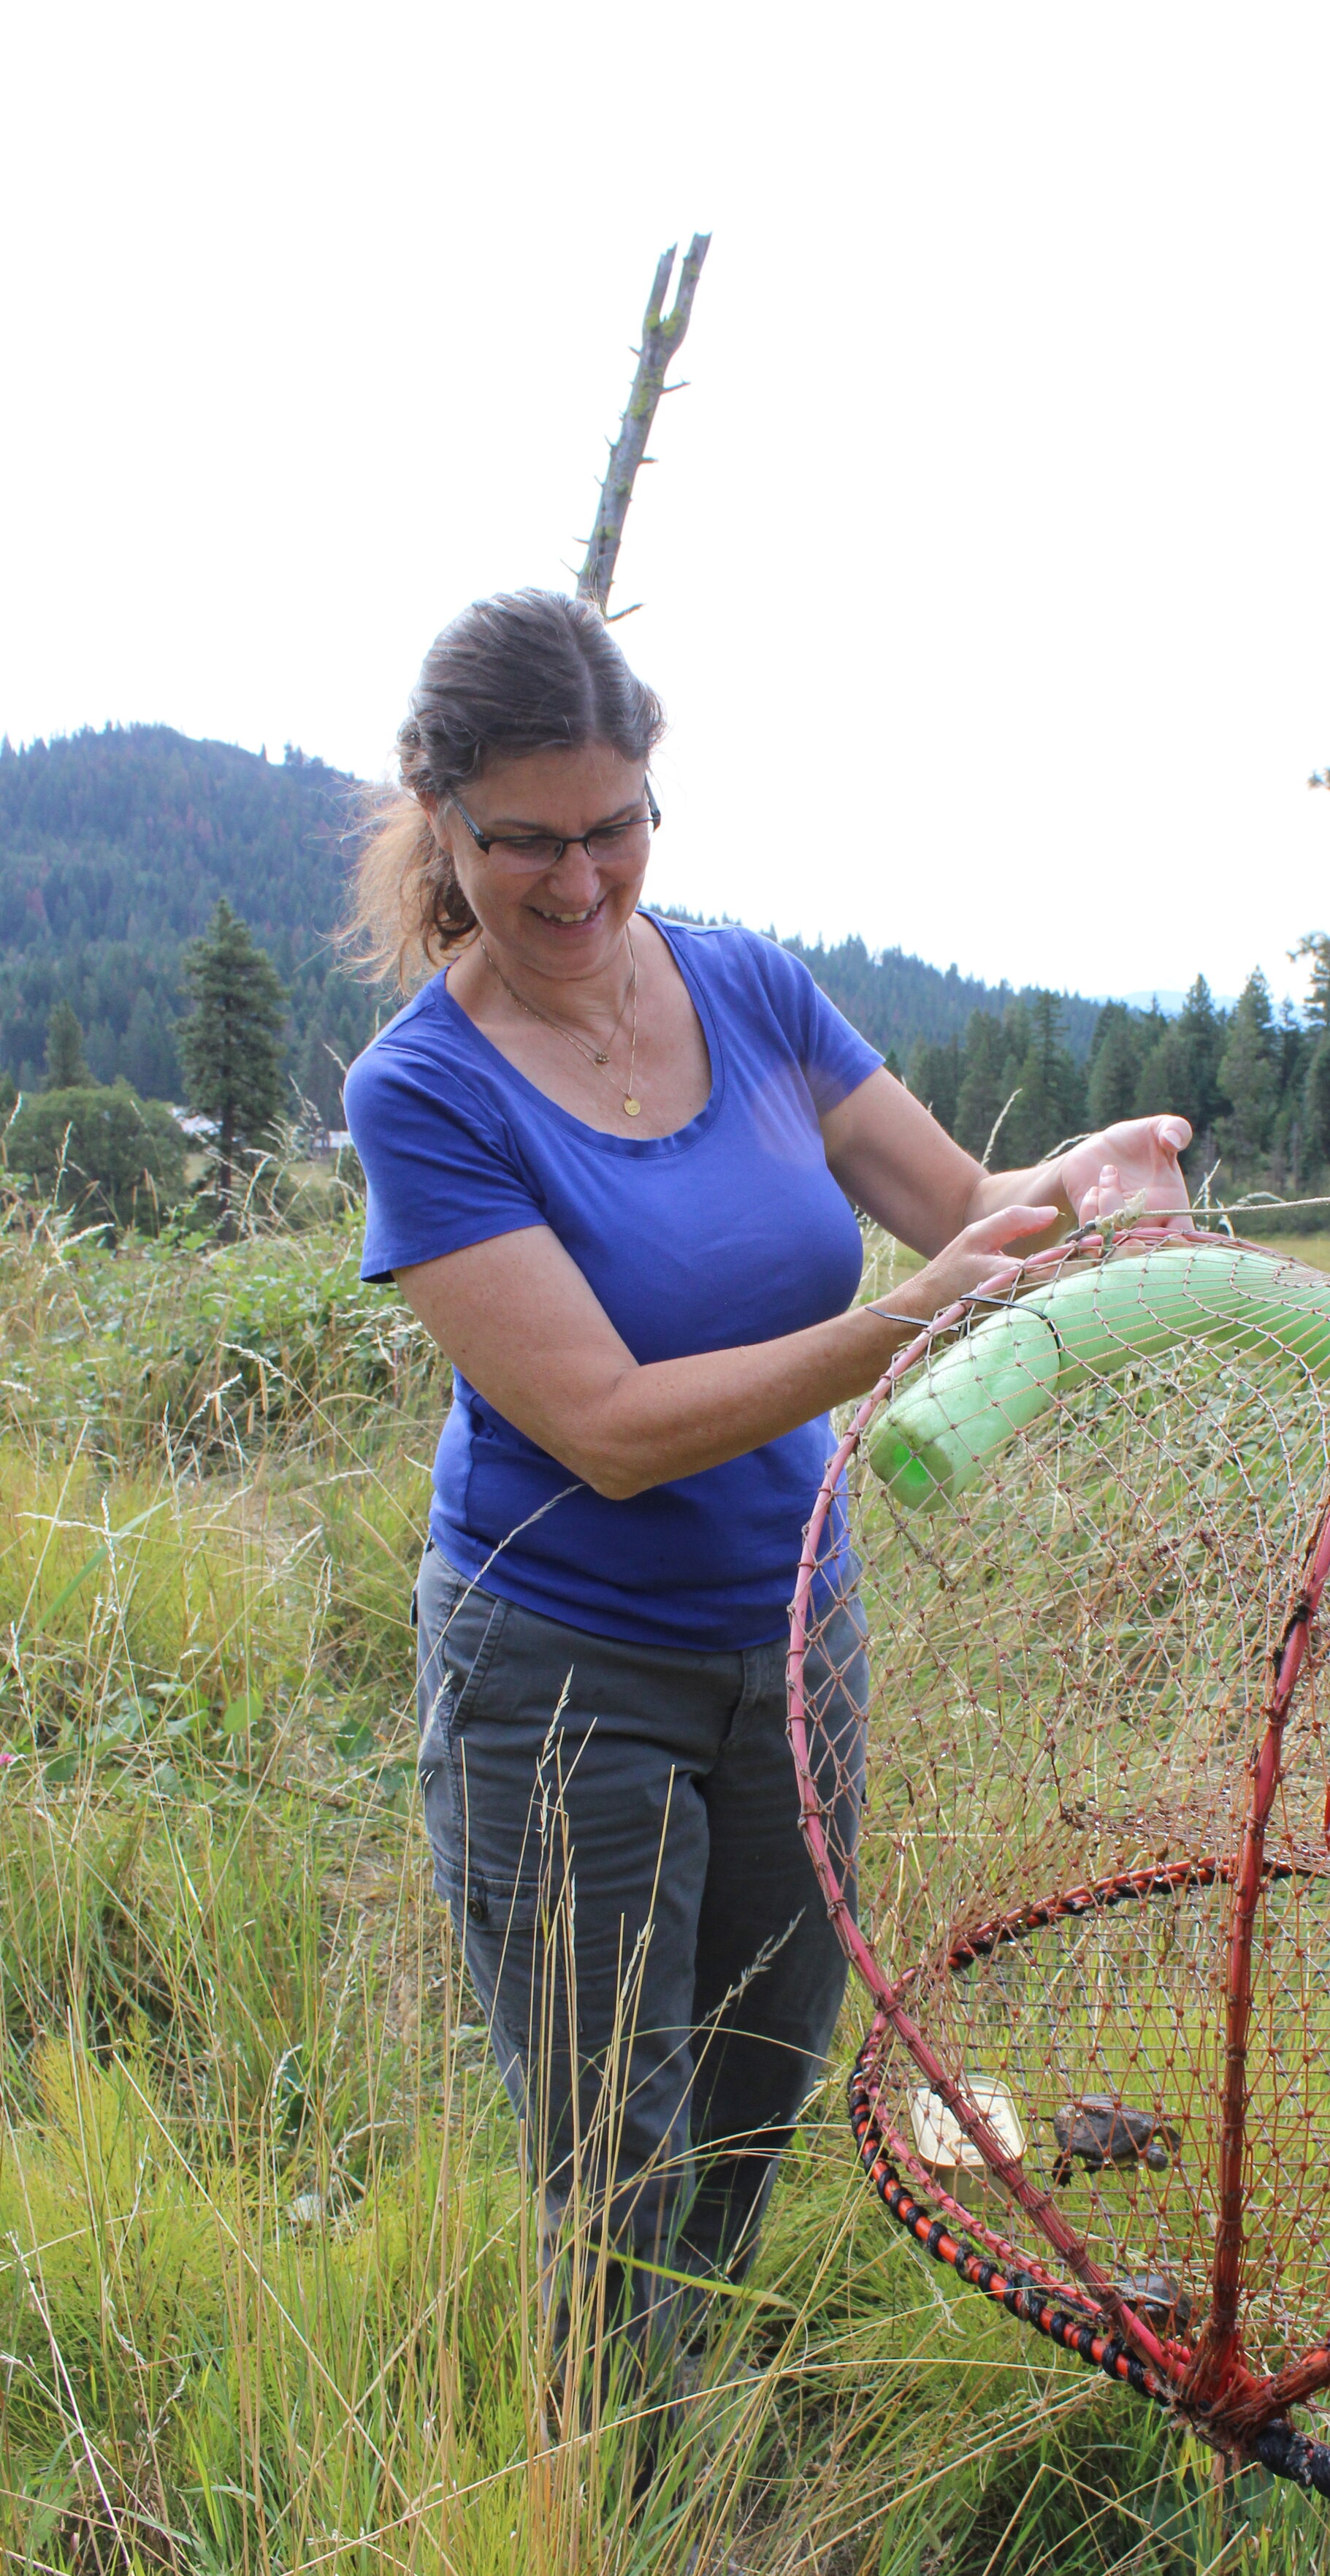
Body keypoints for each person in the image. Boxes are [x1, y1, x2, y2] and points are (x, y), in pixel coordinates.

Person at [341, 587, 1193, 2419]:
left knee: (751, 2089)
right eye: (525, 844)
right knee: (610, 2147)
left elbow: (962, 1200)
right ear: (444, 821)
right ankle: (626, 2542)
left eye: (615, 827)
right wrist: (900, 1320)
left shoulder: (746, 984)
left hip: (791, 1636)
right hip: (556, 1676)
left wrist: (1079, 1186)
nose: (579, 883)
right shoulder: (420, 1091)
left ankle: (686, 2421)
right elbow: (611, 1429)